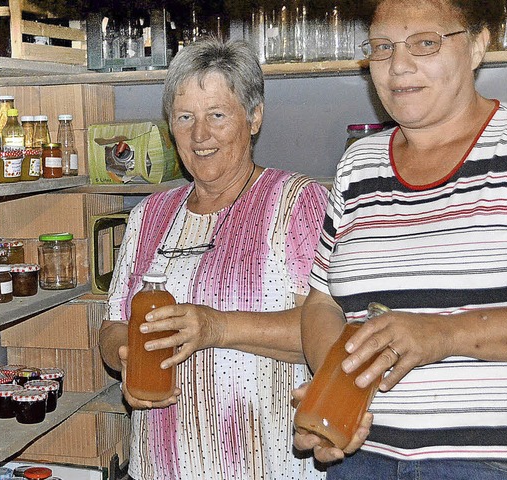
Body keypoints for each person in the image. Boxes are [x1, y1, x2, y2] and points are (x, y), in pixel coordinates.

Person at [293, 0, 507, 478]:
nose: (398, 66)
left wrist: (445, 334)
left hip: (488, 463)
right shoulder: (359, 166)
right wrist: (334, 393)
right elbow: (322, 304)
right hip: (364, 460)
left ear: (478, 45)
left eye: (425, 43)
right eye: (382, 47)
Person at [99, 37, 328, 480]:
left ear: (254, 117)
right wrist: (125, 358)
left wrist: (216, 326)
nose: (199, 135)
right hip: (160, 467)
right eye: (185, 118)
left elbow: (330, 334)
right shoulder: (148, 216)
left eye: (217, 115)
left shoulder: (298, 203)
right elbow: (112, 326)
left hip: (267, 463)